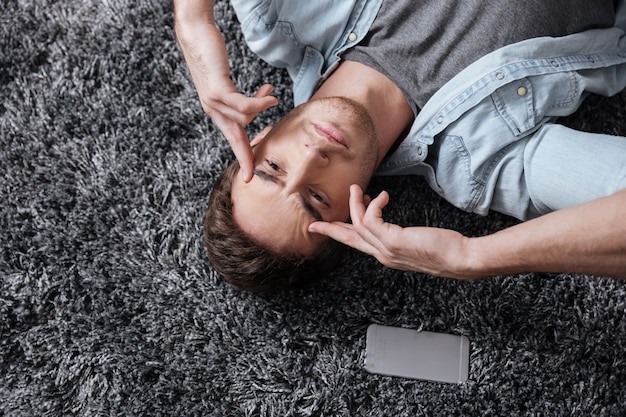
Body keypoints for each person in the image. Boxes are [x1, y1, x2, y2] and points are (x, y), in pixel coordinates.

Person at [174, 0, 626, 292]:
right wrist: (469, 257)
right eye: (316, 197)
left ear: (255, 140)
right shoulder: (480, 163)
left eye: (273, 167)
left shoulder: (280, 18)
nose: (312, 156)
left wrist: (193, 21)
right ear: (357, 210)